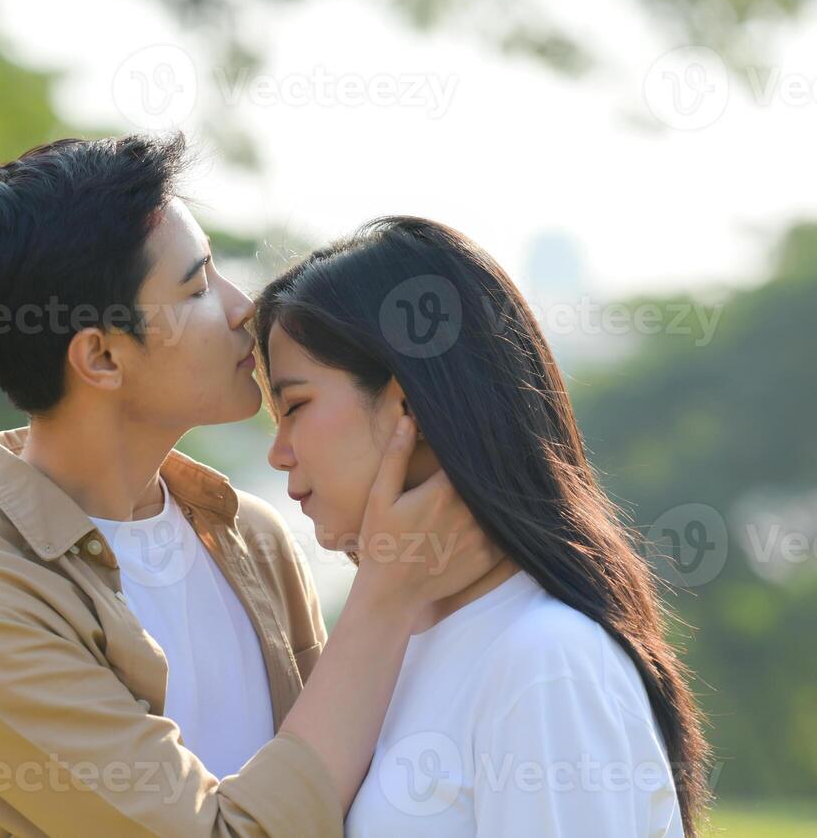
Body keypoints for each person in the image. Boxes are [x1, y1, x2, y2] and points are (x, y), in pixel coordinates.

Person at [0, 135, 501, 836]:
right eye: (199, 286)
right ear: (102, 356)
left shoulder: (247, 537)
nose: (244, 308)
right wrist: (387, 597)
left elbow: (349, 790)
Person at [254, 215, 712, 837]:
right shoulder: (395, 647)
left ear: (407, 405)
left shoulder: (546, 659)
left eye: (296, 407)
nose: (278, 452)